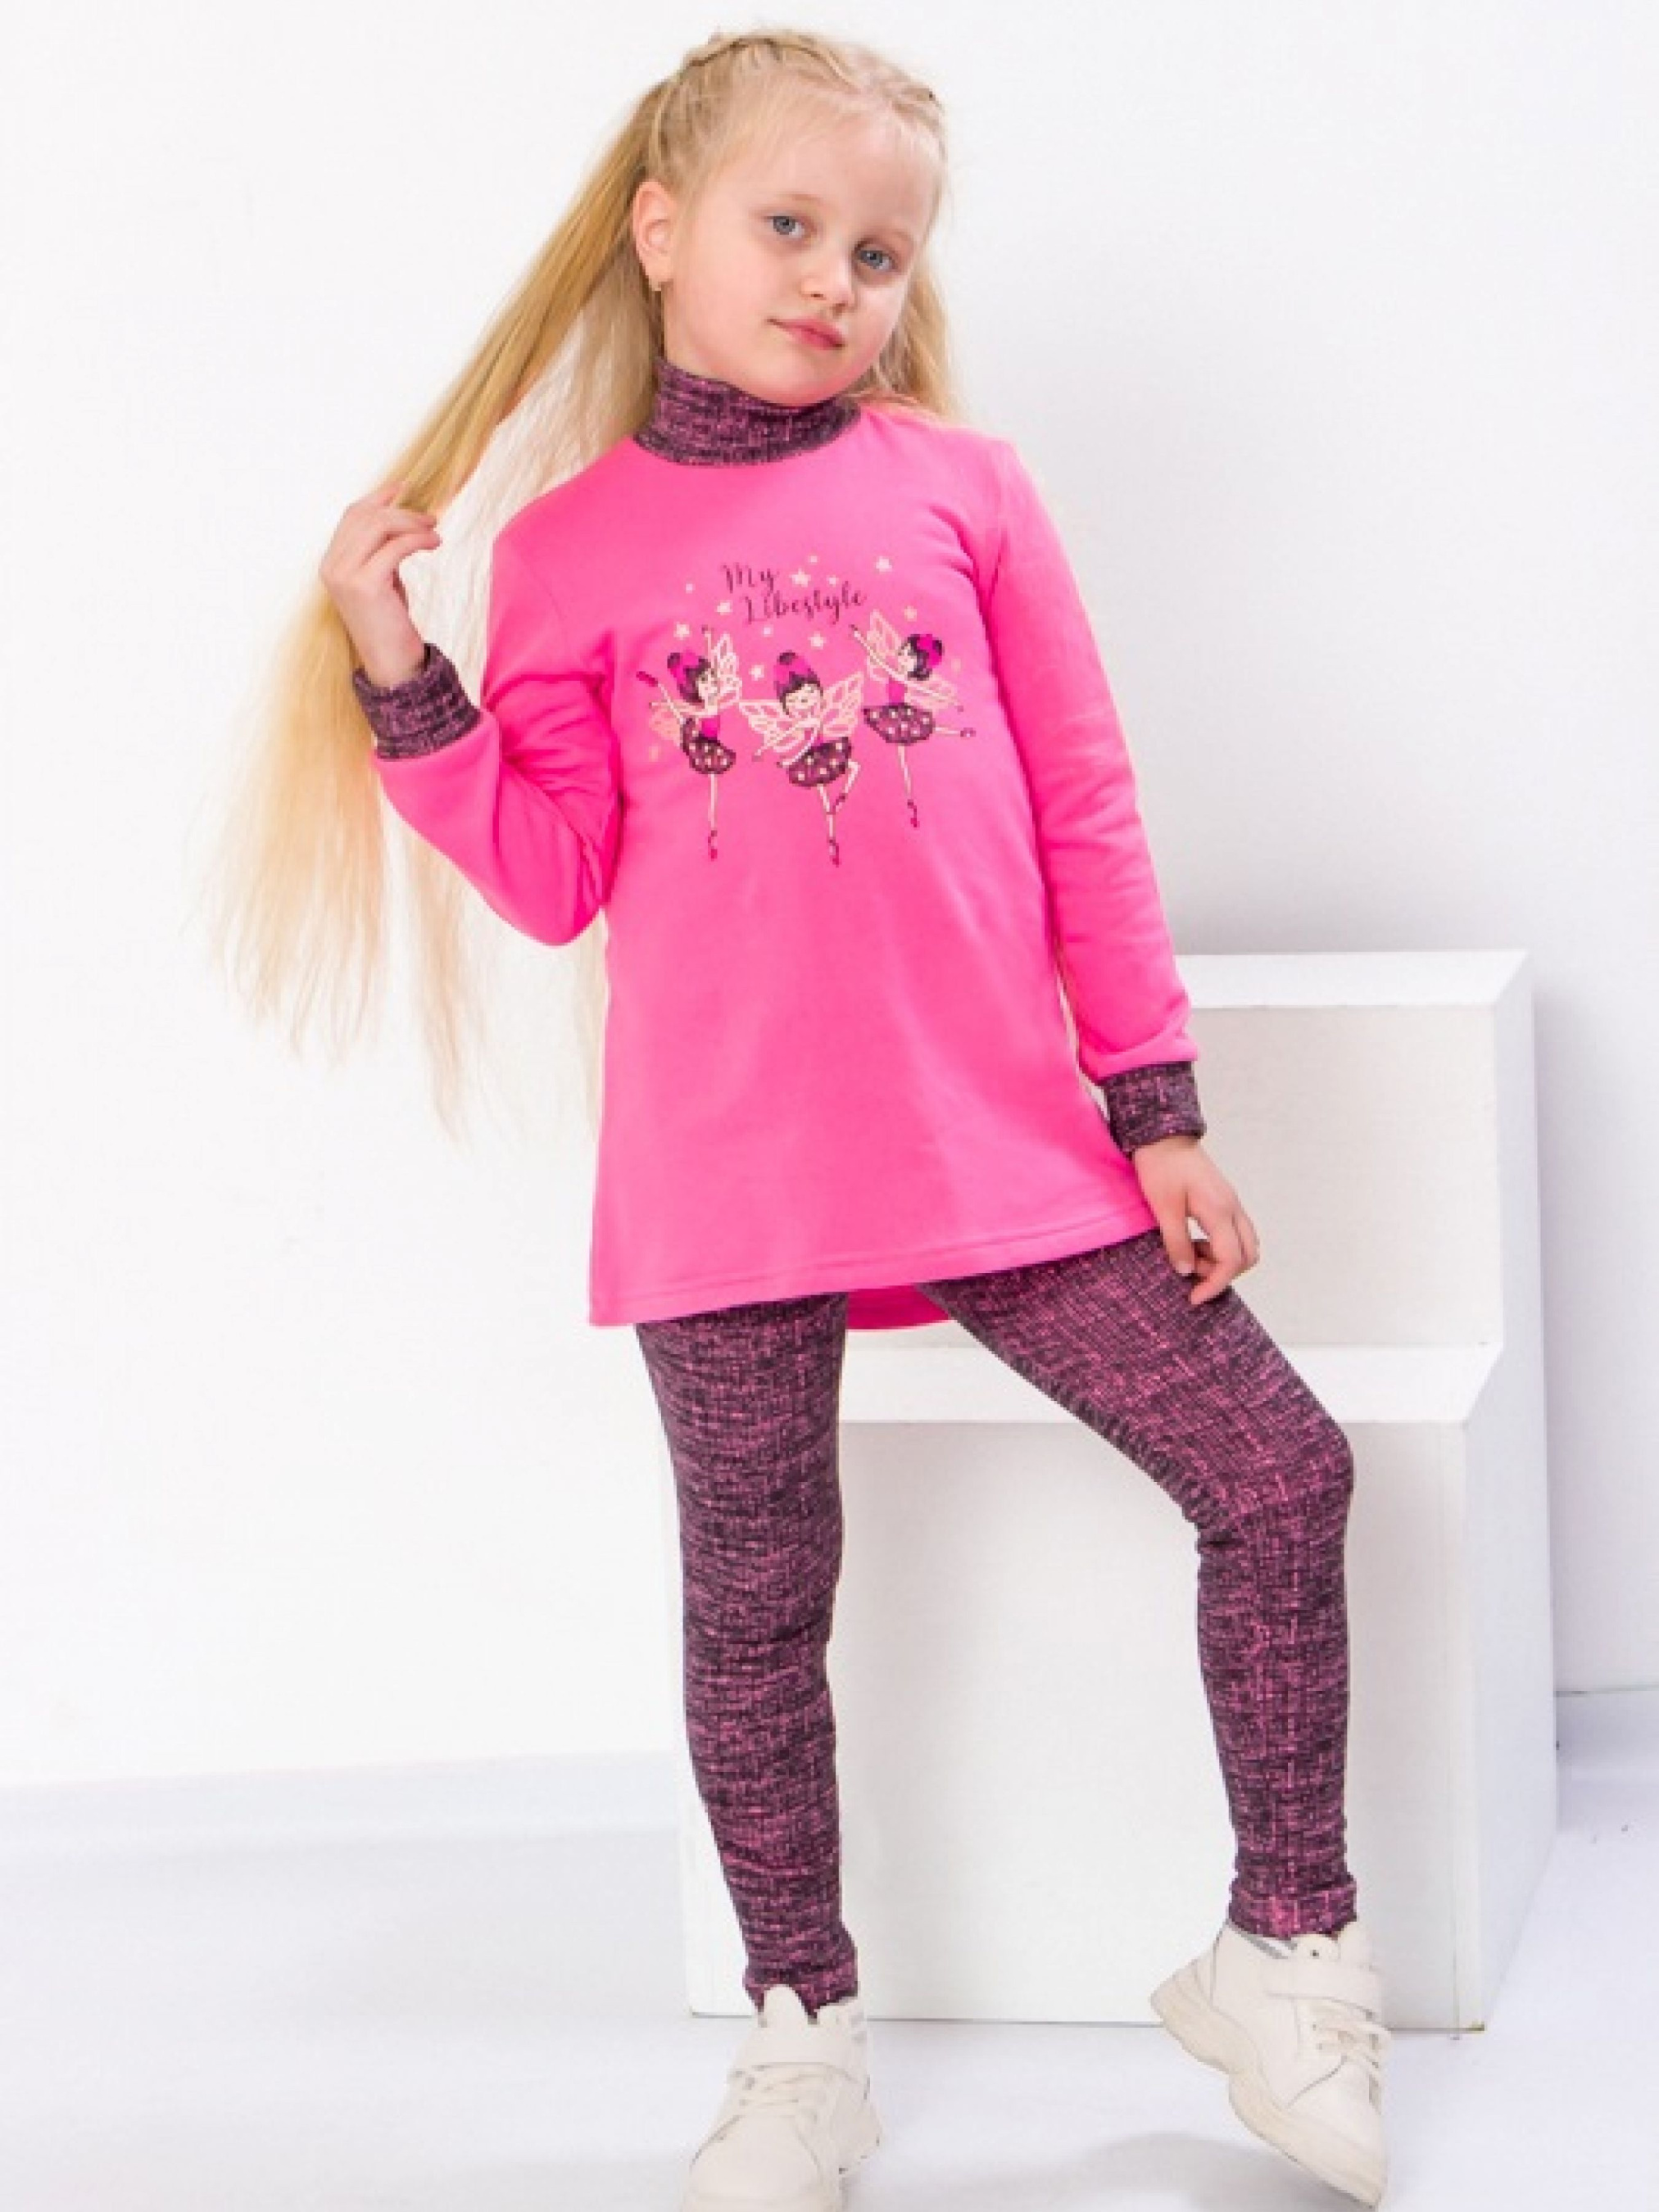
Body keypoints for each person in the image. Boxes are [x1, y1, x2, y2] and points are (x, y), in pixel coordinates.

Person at [209, 25, 1393, 2211]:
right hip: (728, 1176)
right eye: (789, 225)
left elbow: (1085, 804)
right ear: (661, 231)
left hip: (1003, 1145)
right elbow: (556, 876)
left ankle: (1285, 1948)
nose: (835, 279)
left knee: (1279, 1471)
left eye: (878, 248)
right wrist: (401, 667)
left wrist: (1154, 1107)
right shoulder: (565, 550)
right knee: (760, 1606)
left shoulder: (965, 488)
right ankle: (799, 2035)